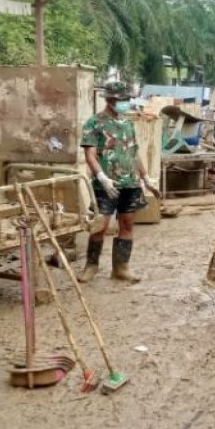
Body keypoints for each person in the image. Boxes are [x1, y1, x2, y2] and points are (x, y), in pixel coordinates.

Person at [78, 80, 157, 284]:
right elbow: (90, 155)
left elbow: (134, 153)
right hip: (106, 185)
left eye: (127, 99)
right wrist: (102, 177)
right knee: (100, 225)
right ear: (110, 99)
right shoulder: (94, 123)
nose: (125, 102)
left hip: (130, 183)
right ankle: (91, 265)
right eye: (122, 99)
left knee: (127, 224)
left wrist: (145, 177)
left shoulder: (127, 124)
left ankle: (121, 268)